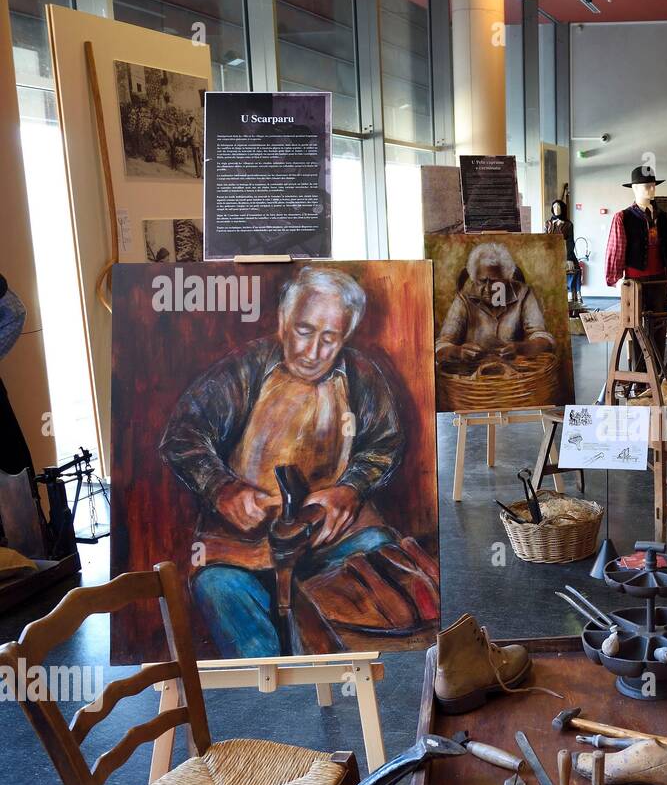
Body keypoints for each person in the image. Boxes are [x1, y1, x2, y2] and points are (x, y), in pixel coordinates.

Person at [160, 265, 405, 657]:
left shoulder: (361, 376)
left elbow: (384, 443)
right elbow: (182, 434)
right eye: (305, 332)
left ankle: (351, 688)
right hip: (245, 544)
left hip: (329, 539)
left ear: (345, 337)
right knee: (221, 592)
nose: (313, 352)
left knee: (382, 558)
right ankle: (271, 705)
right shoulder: (247, 368)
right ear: (283, 321)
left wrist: (351, 488)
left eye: (330, 339)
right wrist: (221, 487)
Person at [604, 165, 667, 372]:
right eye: (644, 186)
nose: (649, 189)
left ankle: (657, 373)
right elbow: (616, 248)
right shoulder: (623, 218)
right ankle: (640, 377)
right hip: (635, 282)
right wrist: (616, 279)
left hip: (659, 281)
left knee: (659, 328)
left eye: (652, 185)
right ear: (634, 189)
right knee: (637, 329)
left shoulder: (665, 219)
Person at [435, 242, 556, 366]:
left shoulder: (523, 294)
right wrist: (458, 351)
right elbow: (441, 346)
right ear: (474, 278)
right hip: (473, 376)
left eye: (494, 282)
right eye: (482, 281)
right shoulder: (464, 297)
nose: (488, 289)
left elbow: (544, 339)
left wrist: (521, 348)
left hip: (515, 375)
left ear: (507, 278)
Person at [546, 200, 580, 302]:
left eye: (559, 207)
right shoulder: (548, 224)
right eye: (555, 207)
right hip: (551, 253)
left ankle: (572, 298)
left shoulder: (568, 224)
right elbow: (544, 239)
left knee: (573, 270)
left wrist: (568, 257)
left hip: (565, 252)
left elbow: (570, 241)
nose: (557, 209)